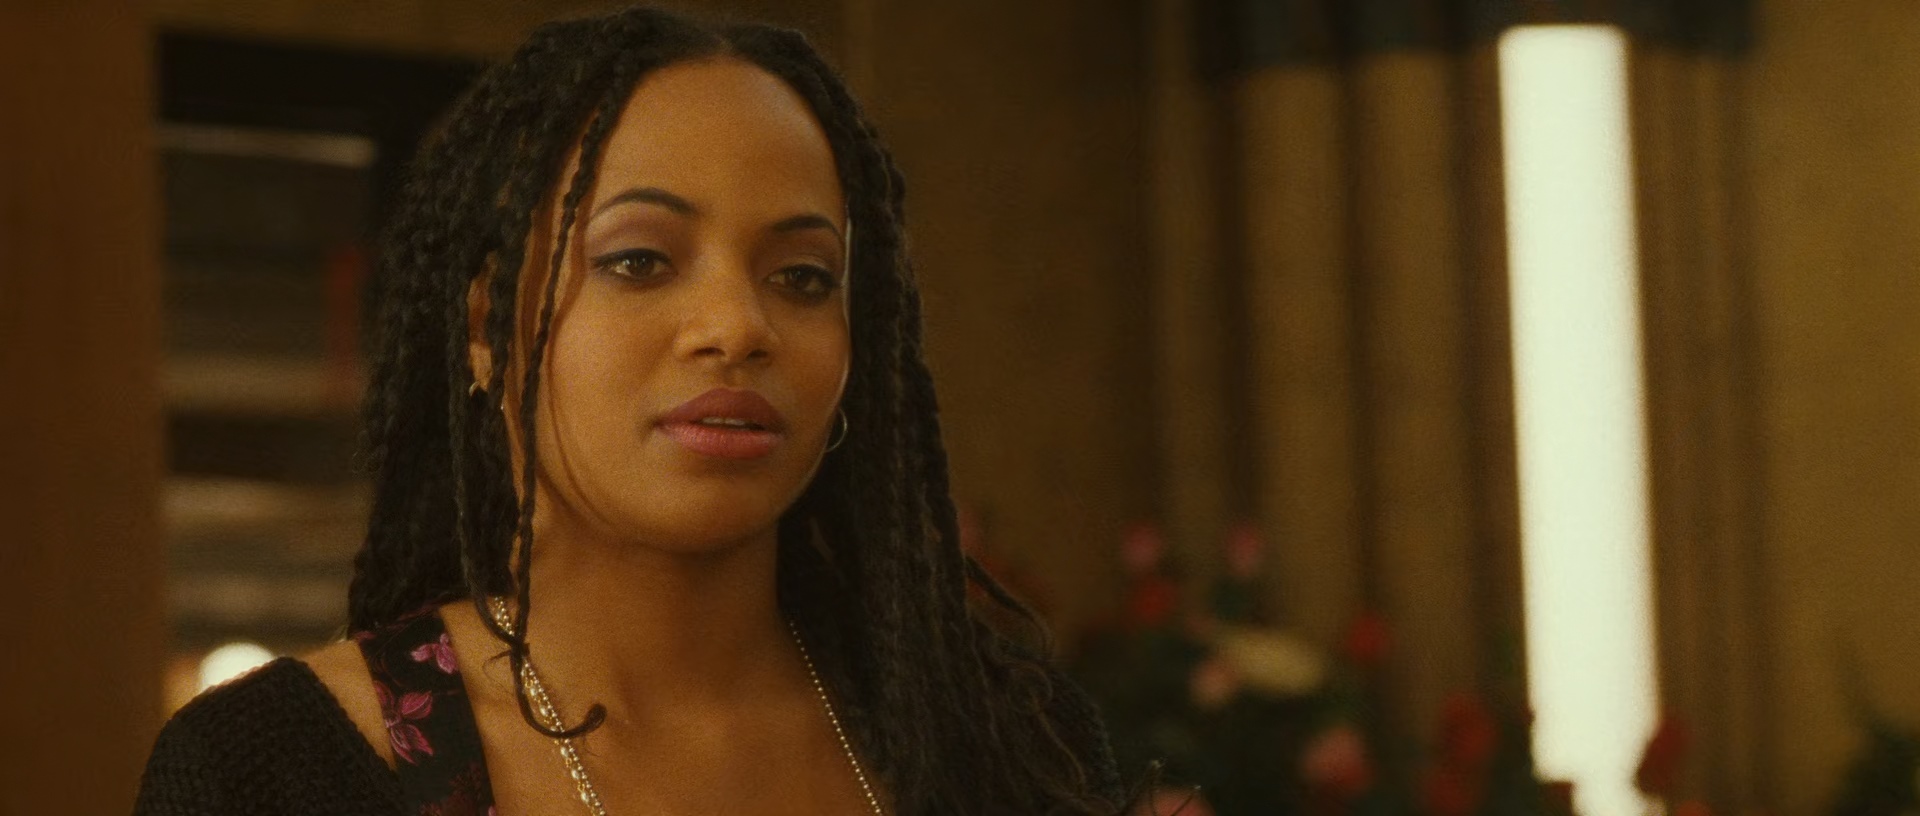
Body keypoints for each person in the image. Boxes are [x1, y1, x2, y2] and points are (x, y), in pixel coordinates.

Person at [134, 7, 1125, 815]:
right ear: (486, 328)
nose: (738, 326)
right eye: (640, 260)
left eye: (803, 276)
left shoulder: (1007, 746)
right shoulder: (272, 774)